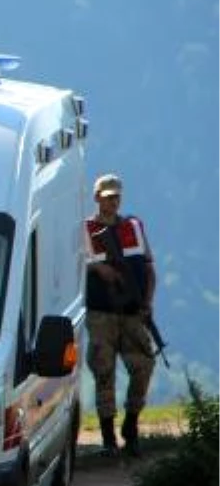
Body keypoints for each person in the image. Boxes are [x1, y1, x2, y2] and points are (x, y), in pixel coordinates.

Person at [84, 173, 157, 457]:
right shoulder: (85, 230)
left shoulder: (133, 227)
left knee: (144, 365)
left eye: (116, 196)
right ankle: (107, 438)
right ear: (97, 198)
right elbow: (74, 265)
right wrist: (96, 268)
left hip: (132, 312)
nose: (112, 202)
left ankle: (131, 425)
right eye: (107, 196)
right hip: (101, 313)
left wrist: (148, 302)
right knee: (104, 371)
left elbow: (149, 268)